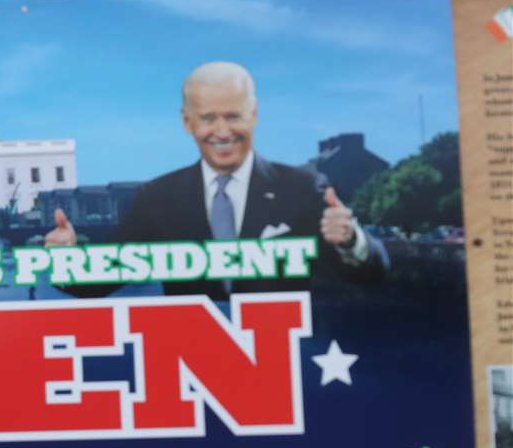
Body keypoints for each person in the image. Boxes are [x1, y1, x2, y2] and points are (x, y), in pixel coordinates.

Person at [43, 61, 387, 300]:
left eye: (233, 116)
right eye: (208, 118)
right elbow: (98, 281)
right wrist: (66, 257)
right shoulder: (159, 197)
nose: (222, 132)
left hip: (288, 363)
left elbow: (370, 276)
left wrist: (350, 240)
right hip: (197, 364)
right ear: (187, 122)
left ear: (253, 115)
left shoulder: (301, 187)